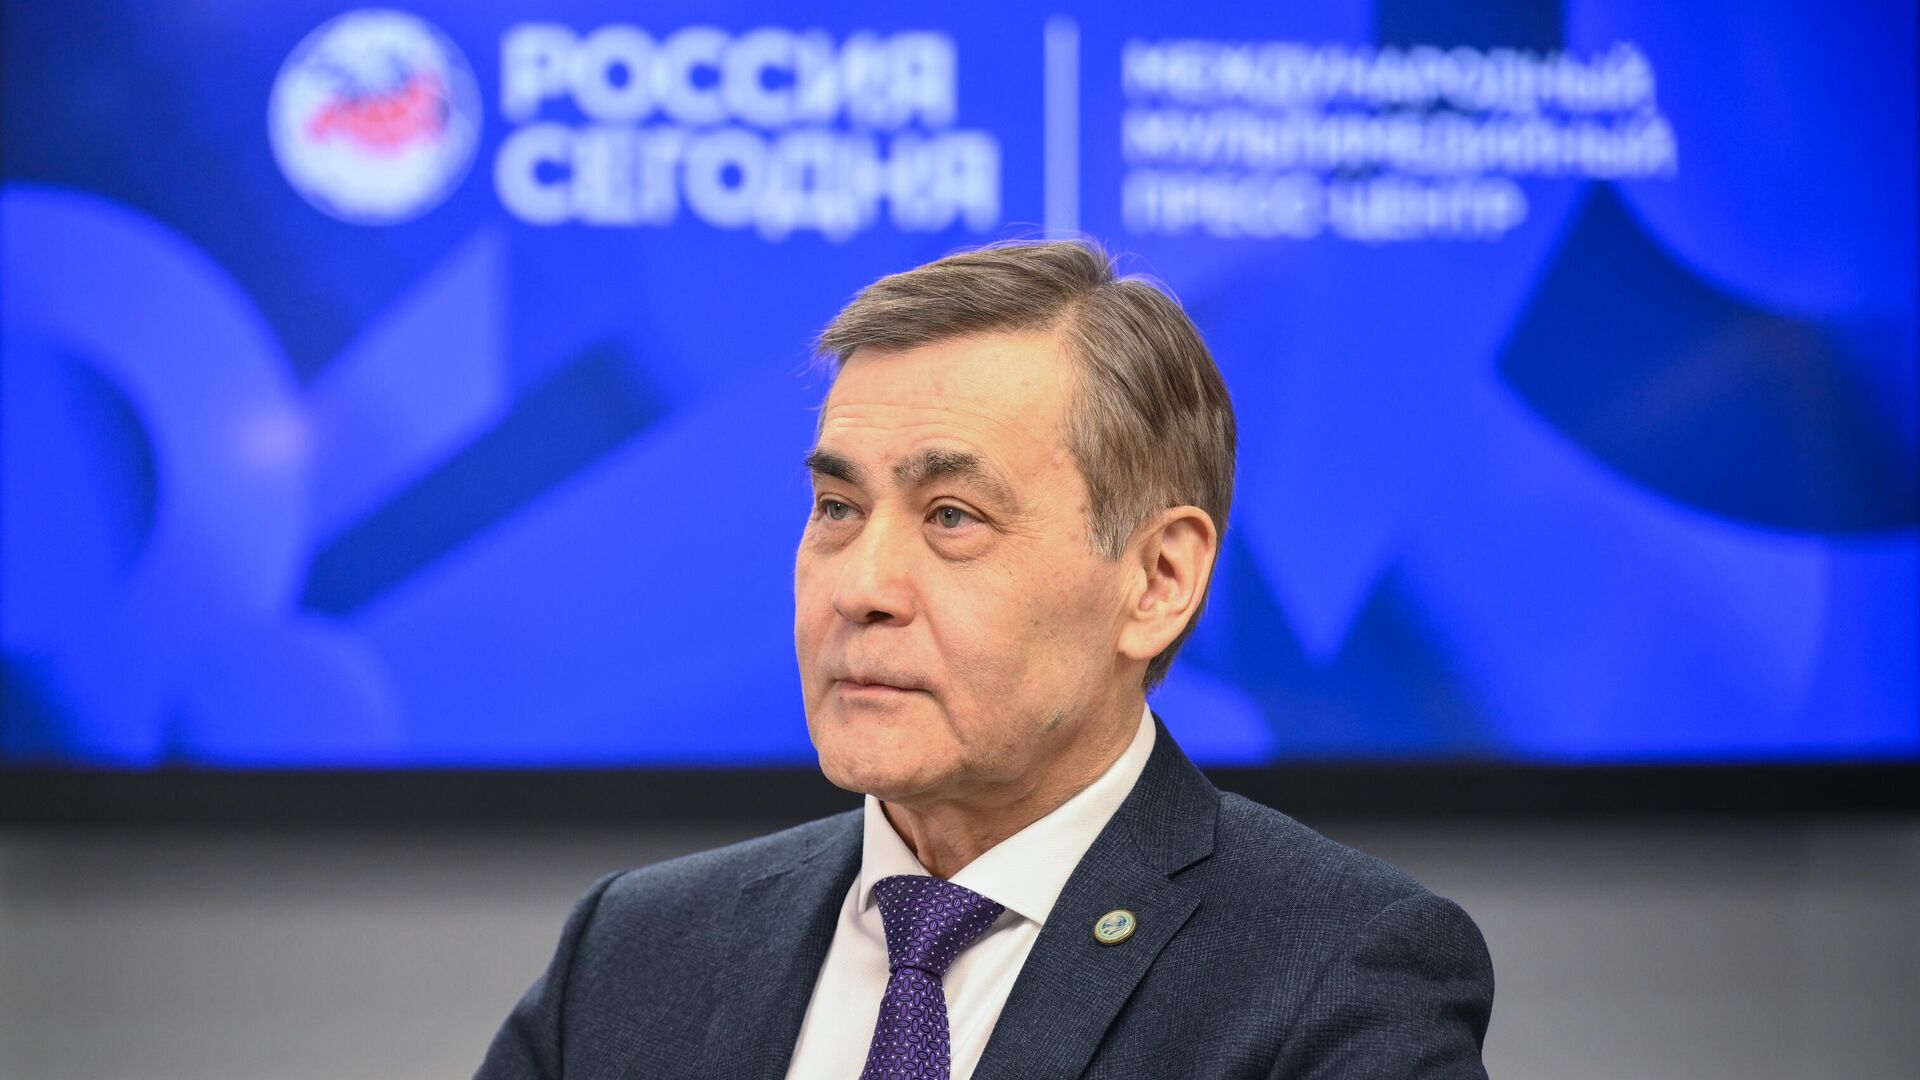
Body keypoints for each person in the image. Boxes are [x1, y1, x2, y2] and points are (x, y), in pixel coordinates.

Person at [476, 240, 1494, 1079]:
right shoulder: (630, 954)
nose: (860, 586)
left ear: (1158, 579)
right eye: (837, 507)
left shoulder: (1337, 978)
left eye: (952, 516)